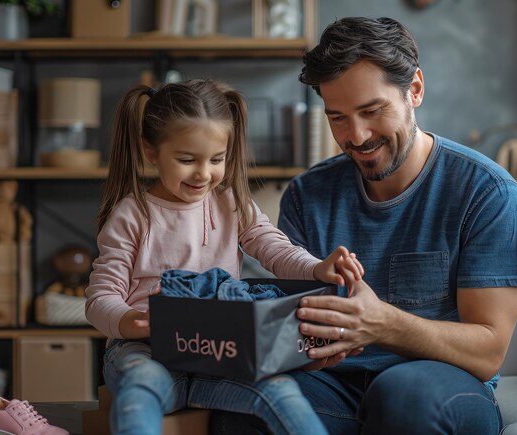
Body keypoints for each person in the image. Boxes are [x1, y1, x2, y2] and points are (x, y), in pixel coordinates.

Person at [211, 16, 517, 435]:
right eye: (338, 118)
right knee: (242, 406)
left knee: (402, 398)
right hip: (332, 385)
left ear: (414, 89)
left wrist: (383, 323)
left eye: (371, 110)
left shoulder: (486, 191)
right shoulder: (307, 195)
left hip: (441, 385)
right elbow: (294, 327)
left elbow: (488, 350)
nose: (356, 136)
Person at [85, 79, 363, 435]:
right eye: (187, 160)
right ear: (151, 152)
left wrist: (317, 267)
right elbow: (99, 298)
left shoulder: (230, 203)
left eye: (217, 159)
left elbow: (275, 249)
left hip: (218, 353)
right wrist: (131, 321)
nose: (204, 174)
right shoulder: (132, 214)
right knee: (140, 386)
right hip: (144, 352)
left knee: (281, 392)